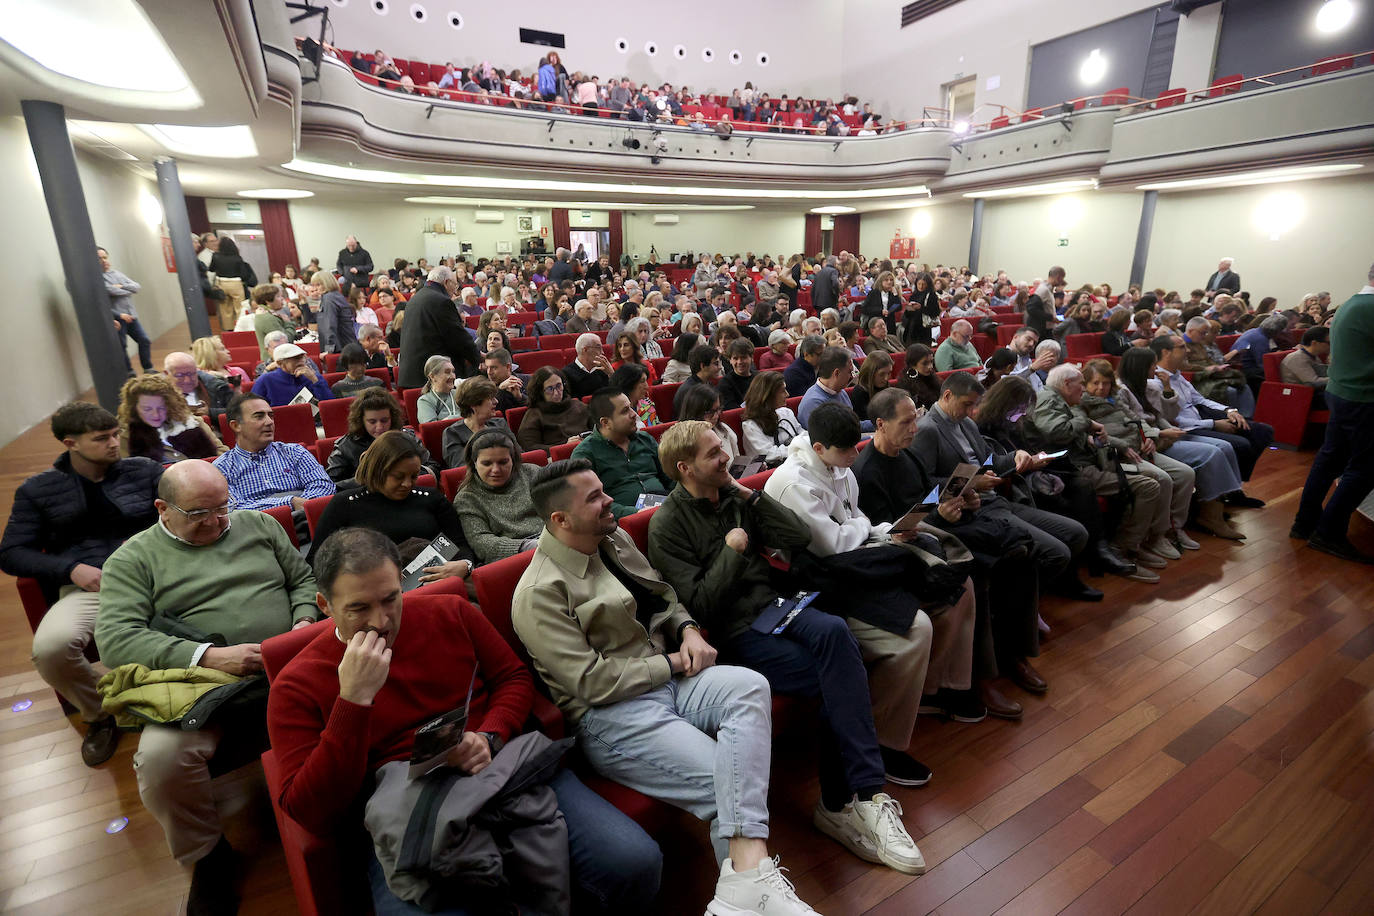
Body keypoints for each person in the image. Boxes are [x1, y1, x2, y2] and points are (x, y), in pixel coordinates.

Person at [269, 526, 662, 916]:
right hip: (410, 813)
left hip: (500, 769)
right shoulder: (296, 684)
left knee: (636, 861)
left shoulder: (450, 612)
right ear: (325, 605)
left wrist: (489, 735)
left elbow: (513, 678)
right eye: (358, 608)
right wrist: (353, 701)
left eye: (391, 598)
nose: (382, 621)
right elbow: (308, 810)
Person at [512, 460, 820, 916]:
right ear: (561, 519)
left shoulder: (613, 538)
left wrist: (688, 629)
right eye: (594, 497)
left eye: (603, 489)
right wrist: (673, 660)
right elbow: (592, 683)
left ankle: (740, 893)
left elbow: (663, 594)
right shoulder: (539, 592)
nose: (609, 500)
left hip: (666, 678)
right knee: (724, 780)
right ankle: (753, 889)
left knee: (749, 685)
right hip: (612, 714)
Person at [648, 421, 927, 873]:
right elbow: (701, 607)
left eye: (722, 448)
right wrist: (732, 551)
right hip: (737, 633)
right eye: (714, 453)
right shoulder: (667, 525)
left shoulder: (733, 498)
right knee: (837, 678)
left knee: (835, 632)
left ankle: (866, 796)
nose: (726, 457)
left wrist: (751, 496)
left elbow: (797, 539)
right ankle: (844, 803)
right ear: (685, 468)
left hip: (778, 606)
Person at [94, 460, 318, 915]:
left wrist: (301, 624)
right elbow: (116, 639)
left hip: (289, 659)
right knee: (160, 762)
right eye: (199, 513)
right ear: (163, 509)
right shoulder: (134, 559)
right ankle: (208, 855)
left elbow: (302, 580)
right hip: (203, 682)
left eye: (222, 508)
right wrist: (209, 656)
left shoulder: (258, 525)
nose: (216, 522)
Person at [765, 403, 982, 737]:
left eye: (855, 446)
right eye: (846, 450)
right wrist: (865, 528)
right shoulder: (794, 483)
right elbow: (832, 545)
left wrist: (887, 531)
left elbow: (856, 523)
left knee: (960, 585)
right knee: (917, 626)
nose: (854, 454)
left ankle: (940, 688)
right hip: (819, 583)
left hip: (857, 565)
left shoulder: (838, 464)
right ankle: (882, 737)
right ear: (819, 448)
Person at [854, 388, 1036, 716]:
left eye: (915, 419)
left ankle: (1012, 654)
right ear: (880, 424)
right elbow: (890, 534)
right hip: (908, 554)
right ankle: (978, 679)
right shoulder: (867, 471)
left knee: (1019, 557)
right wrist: (940, 516)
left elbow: (928, 495)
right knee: (977, 573)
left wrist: (963, 499)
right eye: (906, 422)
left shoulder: (905, 453)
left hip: (936, 535)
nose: (914, 428)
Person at [0, 402, 161, 767]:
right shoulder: (38, 490)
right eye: (101, 438)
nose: (114, 443)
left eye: (115, 435)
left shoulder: (144, 470)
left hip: (155, 574)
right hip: (91, 587)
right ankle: (101, 713)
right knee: (51, 650)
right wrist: (71, 568)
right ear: (70, 443)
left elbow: (175, 514)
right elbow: (10, 553)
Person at [912, 372, 1100, 601]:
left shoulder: (966, 424)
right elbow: (924, 484)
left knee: (1077, 533)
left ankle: (1027, 596)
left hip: (996, 501)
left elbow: (990, 462)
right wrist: (971, 483)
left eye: (974, 405)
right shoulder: (928, 429)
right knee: (1057, 553)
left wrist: (1016, 456)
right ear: (948, 395)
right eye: (967, 404)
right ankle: (1016, 603)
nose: (971, 411)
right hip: (971, 511)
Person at [1023, 365, 1170, 571]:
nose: (1083, 389)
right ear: (1067, 384)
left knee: (1154, 478)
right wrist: (1085, 420)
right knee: (1148, 486)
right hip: (1072, 470)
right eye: (1081, 384)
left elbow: (1067, 433)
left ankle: (1139, 543)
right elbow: (1057, 432)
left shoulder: (1058, 399)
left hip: (1084, 462)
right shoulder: (1048, 399)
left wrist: (1091, 436)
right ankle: (1123, 547)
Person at [307, 430, 474, 580]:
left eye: (414, 476)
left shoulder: (432, 499)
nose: (407, 484)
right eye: (398, 477)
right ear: (377, 470)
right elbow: (317, 561)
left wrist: (465, 565)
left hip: (438, 583)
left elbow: (460, 544)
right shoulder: (345, 504)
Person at [1292, 265, 1374, 563]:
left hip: (1341, 392)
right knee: (1364, 468)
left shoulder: (1351, 303)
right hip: (1363, 397)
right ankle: (1328, 533)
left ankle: (1305, 523)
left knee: (1329, 460)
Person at [1148, 337, 1274, 485]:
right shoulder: (1155, 382)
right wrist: (1214, 424)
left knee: (1263, 431)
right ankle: (1232, 486)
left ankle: (1235, 482)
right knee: (1241, 444)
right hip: (1187, 429)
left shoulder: (1177, 375)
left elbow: (1201, 400)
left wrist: (1228, 410)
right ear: (1166, 352)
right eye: (1182, 347)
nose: (1188, 351)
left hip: (1201, 418)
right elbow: (1173, 420)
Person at [213, 392, 335, 513]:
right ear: (236, 426)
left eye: (270, 416)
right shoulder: (222, 468)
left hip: (305, 519)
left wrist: (304, 506)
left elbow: (324, 485)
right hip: (258, 524)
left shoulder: (294, 452)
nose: (269, 422)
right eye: (259, 416)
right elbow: (233, 509)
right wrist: (291, 502)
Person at [572, 388, 673, 516]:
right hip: (624, 519)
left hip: (665, 508)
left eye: (631, 407)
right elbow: (592, 501)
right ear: (606, 422)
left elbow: (671, 477)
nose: (634, 414)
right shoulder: (585, 454)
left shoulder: (644, 439)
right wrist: (636, 513)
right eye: (625, 411)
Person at [453, 428, 545, 563]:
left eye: (503, 462)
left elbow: (561, 507)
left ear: (513, 460)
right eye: (487, 463)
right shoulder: (467, 498)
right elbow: (481, 543)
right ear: (474, 463)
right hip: (516, 559)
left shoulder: (533, 473)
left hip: (554, 538)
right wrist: (527, 546)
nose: (496, 470)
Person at [325, 388, 435, 485]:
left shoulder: (407, 437)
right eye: (372, 422)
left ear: (392, 418)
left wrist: (404, 472)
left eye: (384, 420)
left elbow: (433, 468)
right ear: (361, 421)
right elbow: (332, 485)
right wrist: (371, 478)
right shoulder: (345, 446)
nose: (379, 427)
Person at [398, 267, 483, 388]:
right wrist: (478, 358)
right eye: (455, 285)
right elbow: (457, 337)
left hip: (412, 373)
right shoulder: (441, 301)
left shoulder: (415, 298)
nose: (455, 291)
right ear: (447, 282)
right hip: (433, 375)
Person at [117, 374, 224, 462]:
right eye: (147, 409)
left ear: (170, 405)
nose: (156, 415)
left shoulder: (193, 423)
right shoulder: (128, 436)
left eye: (161, 408)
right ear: (134, 409)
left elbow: (222, 454)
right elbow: (129, 473)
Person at [99, 246, 153, 375]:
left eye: (105, 257)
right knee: (121, 346)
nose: (104, 261)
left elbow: (137, 287)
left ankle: (148, 368)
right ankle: (129, 372)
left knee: (144, 340)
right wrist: (127, 290)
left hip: (131, 316)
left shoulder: (117, 274)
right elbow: (110, 290)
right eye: (99, 258)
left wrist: (121, 286)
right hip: (117, 318)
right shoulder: (97, 279)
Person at [517, 366, 592, 452]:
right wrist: (564, 447)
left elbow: (598, 429)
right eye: (550, 389)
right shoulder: (534, 414)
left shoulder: (578, 405)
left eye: (559, 386)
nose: (556, 393)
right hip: (558, 457)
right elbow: (528, 446)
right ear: (540, 391)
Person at [442, 377, 510, 469]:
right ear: (474, 404)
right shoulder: (453, 434)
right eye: (491, 398)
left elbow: (518, 455)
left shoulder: (500, 423)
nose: (496, 401)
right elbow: (462, 468)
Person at [799, 346, 872, 431]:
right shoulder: (813, 403)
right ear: (836, 373)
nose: (852, 376)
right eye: (849, 372)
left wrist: (878, 423)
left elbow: (853, 425)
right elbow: (830, 437)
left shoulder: (840, 391)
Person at [741, 371, 802, 464]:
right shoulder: (750, 426)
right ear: (768, 396)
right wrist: (799, 448)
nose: (787, 394)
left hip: (797, 462)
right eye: (782, 391)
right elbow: (769, 455)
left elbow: (802, 434)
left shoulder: (786, 412)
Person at [1227, 314, 1289, 397]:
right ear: (1276, 332)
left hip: (1243, 367)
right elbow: (1263, 365)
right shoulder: (1261, 339)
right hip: (1247, 371)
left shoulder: (1254, 331)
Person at [253, 343, 334, 406]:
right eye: (296, 358)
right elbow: (254, 406)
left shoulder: (314, 377)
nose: (301, 361)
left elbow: (329, 405)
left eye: (302, 357)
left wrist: (315, 381)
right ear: (280, 363)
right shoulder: (266, 380)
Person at [164, 351, 232, 425]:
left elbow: (237, 412)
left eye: (191, 374)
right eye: (180, 375)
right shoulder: (159, 393)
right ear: (167, 374)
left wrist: (210, 412)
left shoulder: (217, 386)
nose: (187, 380)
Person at [209, 237, 257, 332]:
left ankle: (229, 329)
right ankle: (240, 328)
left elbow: (211, 269)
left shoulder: (216, 256)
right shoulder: (237, 258)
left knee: (225, 309)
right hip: (235, 284)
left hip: (222, 283)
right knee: (240, 307)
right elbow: (244, 274)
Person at [1280, 326, 1331, 402]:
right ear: (1314, 343)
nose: (1332, 345)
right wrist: (1336, 380)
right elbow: (1313, 382)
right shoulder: (1297, 358)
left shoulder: (1313, 355)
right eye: (1329, 343)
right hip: (1300, 397)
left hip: (1314, 392)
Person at [674, 344, 724, 418]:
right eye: (716, 364)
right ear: (703, 366)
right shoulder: (690, 391)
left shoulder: (707, 383)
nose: (720, 367)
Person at [564, 333, 615, 399]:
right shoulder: (566, 373)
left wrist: (611, 374)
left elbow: (616, 393)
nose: (602, 352)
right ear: (585, 350)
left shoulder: (603, 370)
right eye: (598, 348)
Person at [611, 363, 659, 428]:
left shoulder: (648, 404)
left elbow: (655, 428)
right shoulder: (615, 410)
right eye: (642, 381)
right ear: (629, 384)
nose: (647, 387)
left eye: (646, 381)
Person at [415, 355, 459, 424]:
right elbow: (431, 428)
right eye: (447, 372)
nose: (453, 376)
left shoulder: (459, 393)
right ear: (432, 376)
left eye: (453, 372)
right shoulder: (425, 401)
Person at [895, 343, 941, 410]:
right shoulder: (905, 386)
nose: (930, 366)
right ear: (912, 364)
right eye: (925, 363)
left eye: (931, 362)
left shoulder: (932, 377)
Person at [851, 351, 892, 421]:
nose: (886, 378)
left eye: (889, 373)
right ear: (870, 372)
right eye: (881, 374)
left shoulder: (886, 387)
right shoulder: (859, 392)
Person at [1025, 267, 1064, 341]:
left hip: (1047, 328)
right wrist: (1051, 318)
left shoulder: (1048, 289)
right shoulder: (1044, 289)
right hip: (1042, 330)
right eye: (1062, 278)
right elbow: (1031, 308)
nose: (1062, 281)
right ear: (1057, 277)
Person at [903, 272, 940, 346]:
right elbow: (908, 315)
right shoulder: (914, 295)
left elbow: (935, 312)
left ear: (928, 285)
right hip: (912, 326)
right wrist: (909, 309)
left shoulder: (931, 295)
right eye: (919, 284)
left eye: (924, 284)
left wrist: (921, 308)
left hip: (924, 327)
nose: (921, 286)